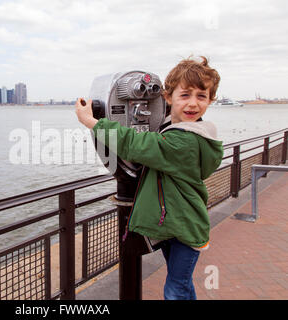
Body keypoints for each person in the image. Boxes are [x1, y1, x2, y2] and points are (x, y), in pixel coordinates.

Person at [75, 56, 223, 300]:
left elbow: (136, 143)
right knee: (182, 284)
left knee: (175, 289)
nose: (192, 104)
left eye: (201, 96)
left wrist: (91, 121)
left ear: (210, 100)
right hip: (175, 221)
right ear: (167, 99)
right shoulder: (181, 129)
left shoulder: (183, 141)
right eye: (184, 95)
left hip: (185, 226)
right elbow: (153, 135)